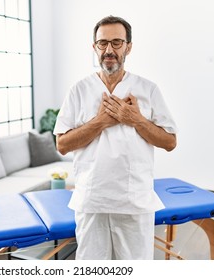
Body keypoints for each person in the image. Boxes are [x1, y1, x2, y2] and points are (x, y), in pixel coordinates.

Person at [53, 15, 178, 260]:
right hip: (92, 201)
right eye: (103, 43)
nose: (109, 50)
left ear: (128, 47)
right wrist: (101, 121)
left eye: (117, 43)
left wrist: (135, 119)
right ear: (94, 47)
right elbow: (62, 145)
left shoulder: (148, 89)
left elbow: (170, 142)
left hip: (134, 202)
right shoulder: (78, 90)